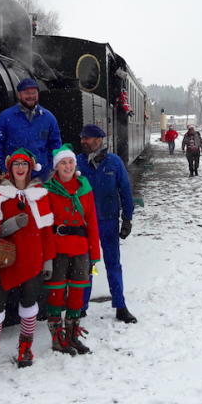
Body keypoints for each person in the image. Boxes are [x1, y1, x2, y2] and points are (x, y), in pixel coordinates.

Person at [0, 148, 56, 372]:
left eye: (24, 164)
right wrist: (11, 225)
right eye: (16, 164)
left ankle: (25, 348)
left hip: (32, 259)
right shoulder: (0, 195)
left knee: (29, 306)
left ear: (30, 168)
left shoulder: (40, 194)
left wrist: (48, 262)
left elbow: (46, 232)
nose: (20, 168)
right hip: (5, 260)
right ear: (10, 168)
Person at [76, 124, 137, 324]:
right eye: (82, 138)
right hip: (84, 226)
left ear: (99, 141)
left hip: (108, 223)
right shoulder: (77, 164)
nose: (83, 141)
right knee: (87, 266)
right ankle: (81, 307)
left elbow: (125, 191)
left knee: (113, 264)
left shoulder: (114, 163)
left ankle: (120, 306)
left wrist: (127, 218)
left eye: (87, 138)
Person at [43, 144, 101, 356]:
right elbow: (44, 225)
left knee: (77, 294)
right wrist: (46, 255)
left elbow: (91, 222)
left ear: (74, 165)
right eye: (63, 163)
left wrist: (94, 254)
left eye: (70, 162)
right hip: (57, 249)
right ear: (56, 167)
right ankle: (58, 338)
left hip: (80, 248)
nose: (67, 166)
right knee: (56, 295)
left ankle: (72, 335)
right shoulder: (47, 190)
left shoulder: (85, 189)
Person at [0, 78, 62, 182]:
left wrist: (50, 168)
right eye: (27, 93)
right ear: (19, 95)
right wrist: (4, 168)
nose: (31, 96)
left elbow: (56, 145)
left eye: (34, 92)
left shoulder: (48, 118)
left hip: (41, 176)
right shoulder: (5, 117)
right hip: (13, 176)